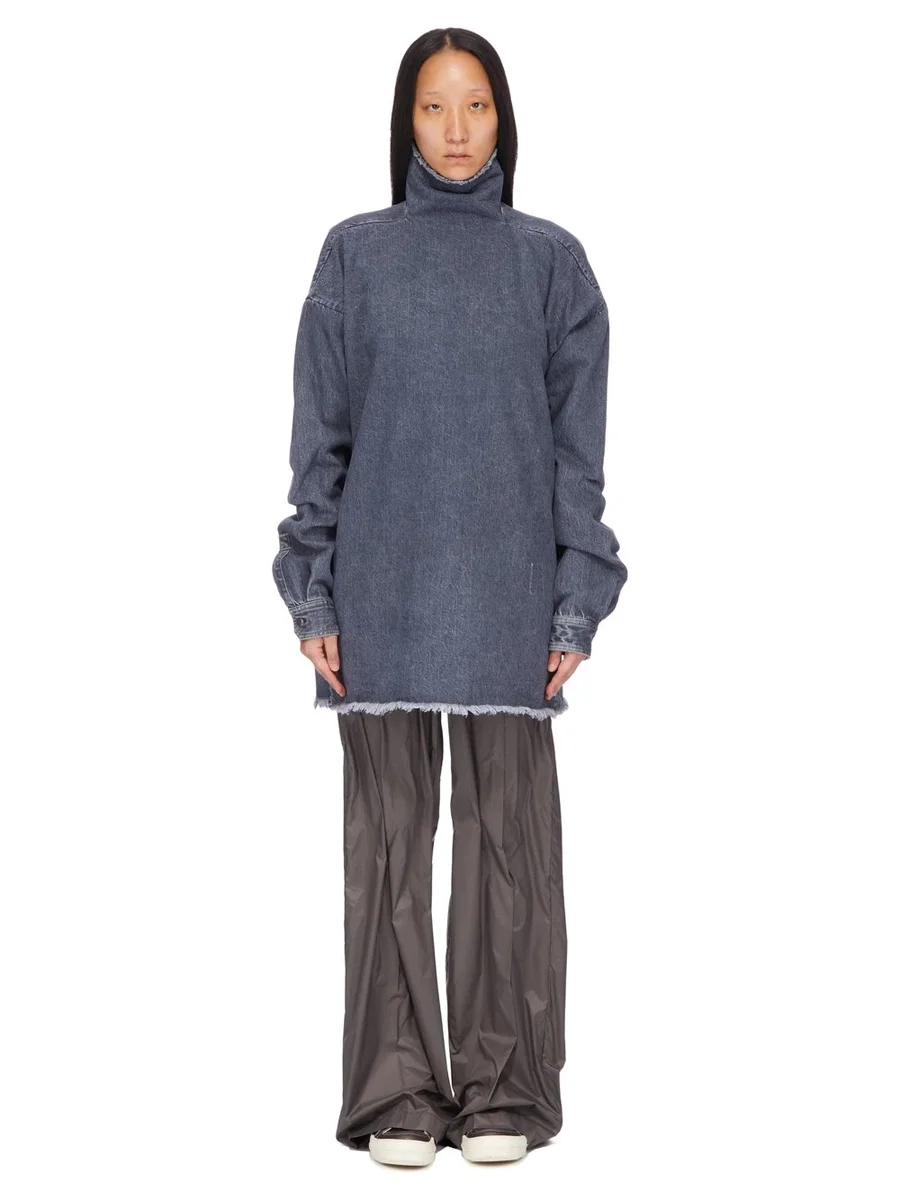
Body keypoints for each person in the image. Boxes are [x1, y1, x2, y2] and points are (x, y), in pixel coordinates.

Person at [272, 28, 627, 1168]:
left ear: (504, 117)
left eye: (476, 105)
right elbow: (321, 440)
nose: (458, 129)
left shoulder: (552, 264)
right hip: (379, 586)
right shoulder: (355, 256)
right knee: (387, 844)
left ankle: (504, 1085)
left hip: (511, 592)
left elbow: (577, 457)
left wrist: (574, 601)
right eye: (434, 107)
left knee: (507, 842)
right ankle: (397, 1092)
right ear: (406, 122)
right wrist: (313, 593)